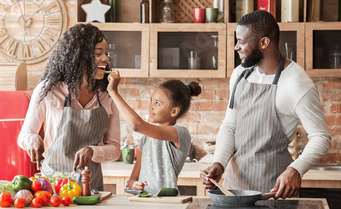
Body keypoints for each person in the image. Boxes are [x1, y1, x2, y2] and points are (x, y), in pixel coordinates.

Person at [201, 10, 331, 199]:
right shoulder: (239, 74)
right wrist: (219, 163)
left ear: (264, 42)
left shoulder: (296, 82)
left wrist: (296, 169)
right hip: (234, 189)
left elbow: (321, 136)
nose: (236, 47)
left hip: (273, 192)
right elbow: (230, 126)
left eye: (242, 42)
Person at [17, 23, 120, 191]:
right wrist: (32, 140)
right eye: (98, 54)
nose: (106, 59)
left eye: (106, 53)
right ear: (79, 56)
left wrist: (93, 151)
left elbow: (115, 148)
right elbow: (25, 134)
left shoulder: (107, 95)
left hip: (90, 188)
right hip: (52, 187)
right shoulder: (48, 90)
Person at [107, 70, 201, 194]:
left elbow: (136, 125)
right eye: (151, 100)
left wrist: (113, 91)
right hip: (144, 203)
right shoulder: (146, 138)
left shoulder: (179, 133)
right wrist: (134, 185)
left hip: (167, 205)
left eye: (157, 103)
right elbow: (132, 180)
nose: (150, 106)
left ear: (174, 111)